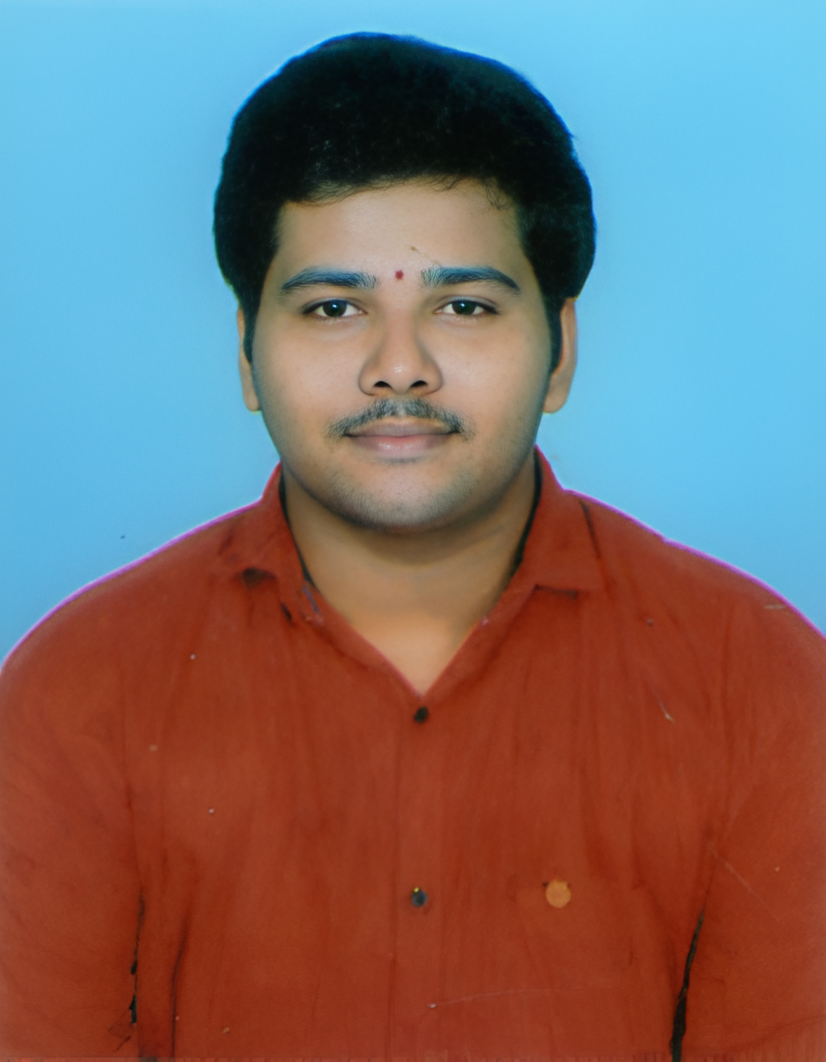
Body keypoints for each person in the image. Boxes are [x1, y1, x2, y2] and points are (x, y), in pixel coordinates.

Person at [0, 32, 823, 1062]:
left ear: (561, 350)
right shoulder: (80, 692)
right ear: (246, 350)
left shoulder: (758, 682)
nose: (400, 367)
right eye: (334, 308)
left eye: (464, 306)